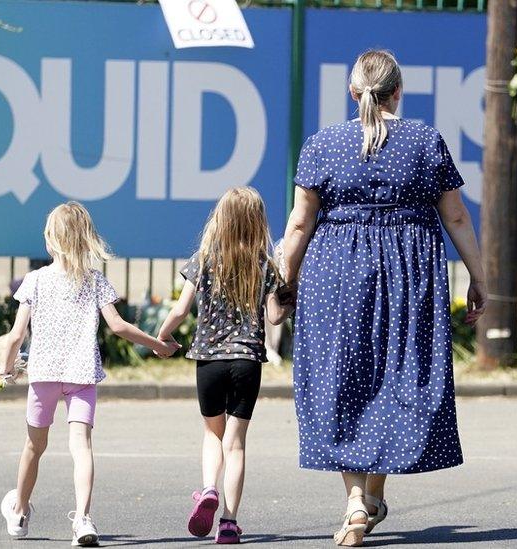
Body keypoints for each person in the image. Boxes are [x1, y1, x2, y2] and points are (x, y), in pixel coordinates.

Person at [279, 49, 487, 547]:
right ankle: (370, 497)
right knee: (396, 380)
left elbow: (299, 223)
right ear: (399, 91)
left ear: (354, 93)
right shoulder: (424, 139)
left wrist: (285, 282)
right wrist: (480, 279)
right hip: (408, 274)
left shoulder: (323, 144)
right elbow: (456, 217)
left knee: (343, 379)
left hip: (336, 273)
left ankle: (356, 500)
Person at [0, 201, 179, 546]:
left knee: (34, 447)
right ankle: (82, 519)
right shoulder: (96, 281)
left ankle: (19, 511)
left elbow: (17, 335)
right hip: (81, 376)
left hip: (44, 375)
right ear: (85, 241)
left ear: (51, 241)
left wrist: (5, 370)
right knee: (82, 447)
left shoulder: (34, 281)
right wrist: (158, 344)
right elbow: (119, 326)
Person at [157, 187, 291, 544]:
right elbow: (276, 317)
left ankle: (208, 489)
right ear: (257, 222)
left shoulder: (204, 258)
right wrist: (289, 294)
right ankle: (229, 523)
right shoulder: (265, 262)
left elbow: (181, 309)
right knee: (236, 444)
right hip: (247, 362)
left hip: (209, 361)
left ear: (221, 218)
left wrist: (162, 337)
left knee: (212, 434)